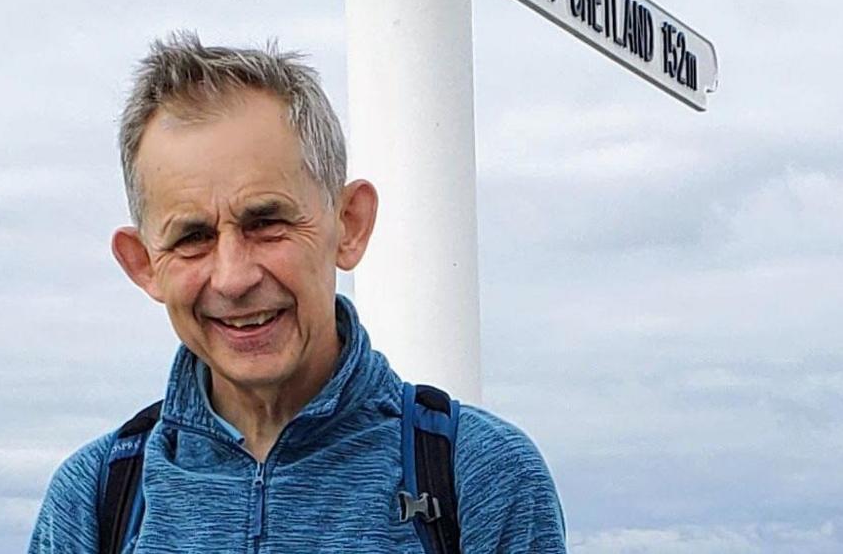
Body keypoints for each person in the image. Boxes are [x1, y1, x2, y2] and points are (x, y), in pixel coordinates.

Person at [29, 33, 566, 552]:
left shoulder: (477, 476)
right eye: (192, 237)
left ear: (349, 225)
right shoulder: (96, 499)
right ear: (144, 264)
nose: (234, 277)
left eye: (267, 223)